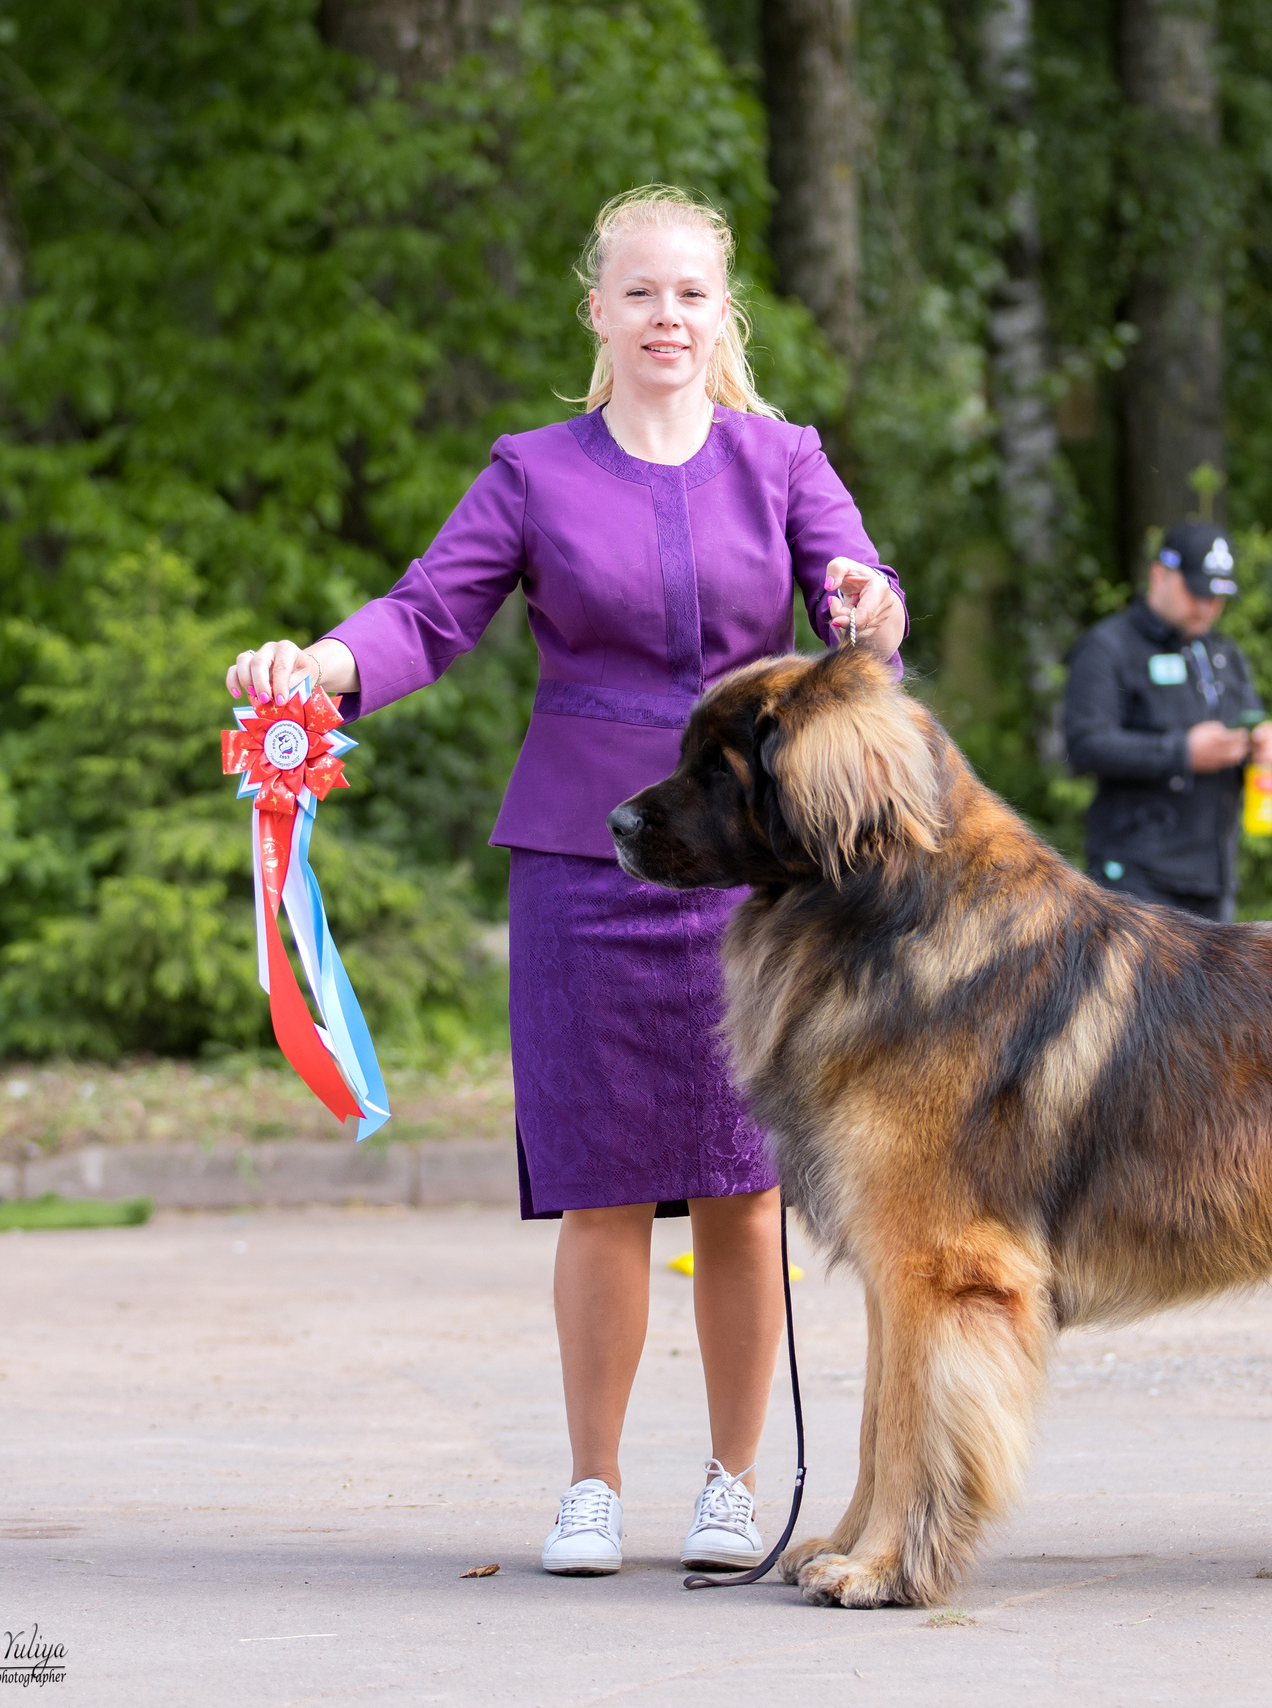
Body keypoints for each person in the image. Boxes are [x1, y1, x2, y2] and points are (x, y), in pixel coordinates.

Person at [222, 185, 906, 1579]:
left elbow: (865, 598)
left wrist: (866, 606)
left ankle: (729, 1483)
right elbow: (425, 614)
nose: (666, 316)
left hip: (740, 870)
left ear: (724, 317)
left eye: (690, 295)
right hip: (579, 859)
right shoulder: (532, 471)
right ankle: (590, 1486)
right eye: (640, 293)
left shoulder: (784, 459)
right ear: (598, 310)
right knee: (599, 1183)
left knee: (739, 1185)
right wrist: (315, 669)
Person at [1061, 521, 1272, 920]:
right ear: (1159, 575)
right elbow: (1084, 745)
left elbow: (1251, 722)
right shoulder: (1108, 646)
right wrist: (1181, 752)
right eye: (1197, 592)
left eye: (1218, 597)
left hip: (1213, 878)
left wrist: (1263, 743)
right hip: (1136, 880)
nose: (1207, 607)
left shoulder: (1225, 655)